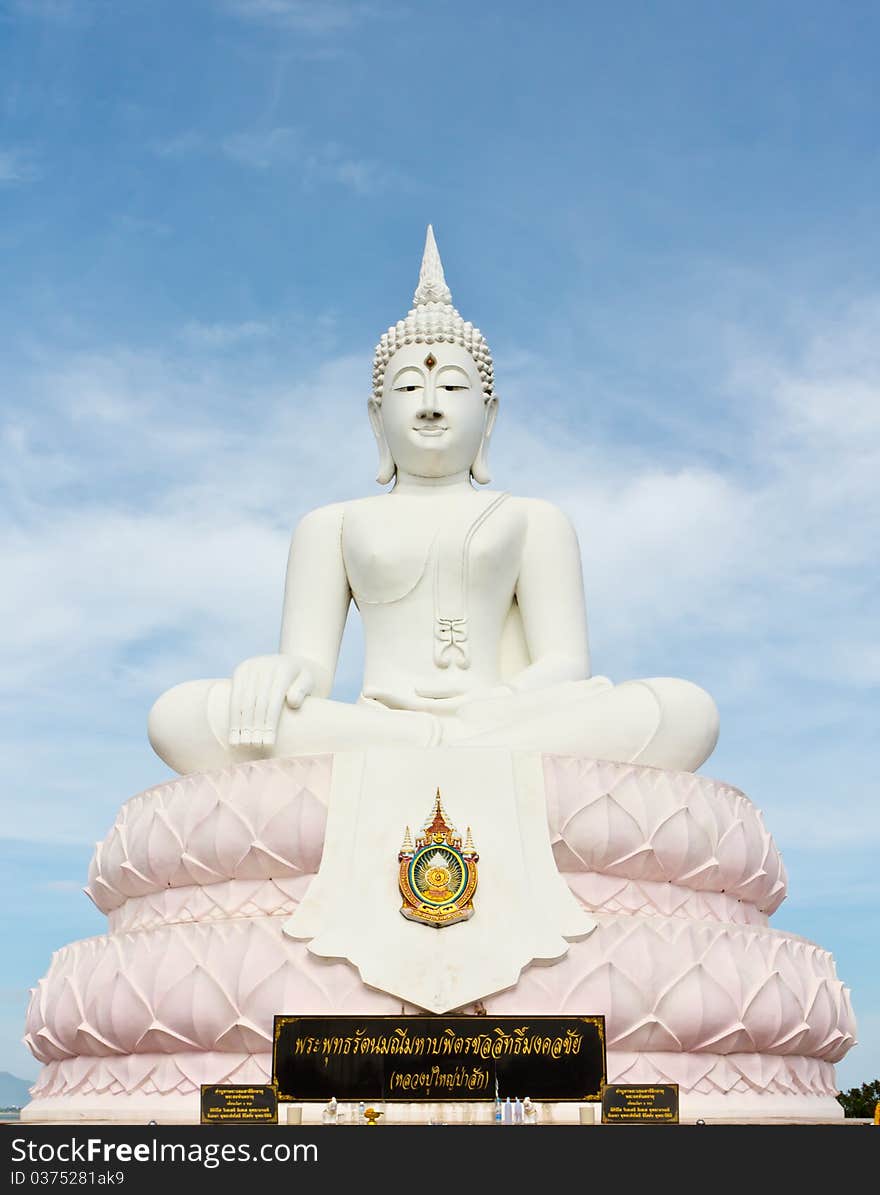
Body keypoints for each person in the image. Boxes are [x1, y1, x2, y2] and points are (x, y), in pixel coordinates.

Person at [148, 227, 719, 777]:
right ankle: (430, 748)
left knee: (683, 709)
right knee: (181, 715)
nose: (428, 404)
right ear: (377, 418)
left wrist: (496, 706)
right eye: (406, 389)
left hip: (503, 720)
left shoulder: (534, 519)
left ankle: (435, 754)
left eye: (450, 386)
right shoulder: (333, 525)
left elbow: (566, 666)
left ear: (489, 417)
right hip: (378, 727)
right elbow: (312, 672)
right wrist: (275, 675)